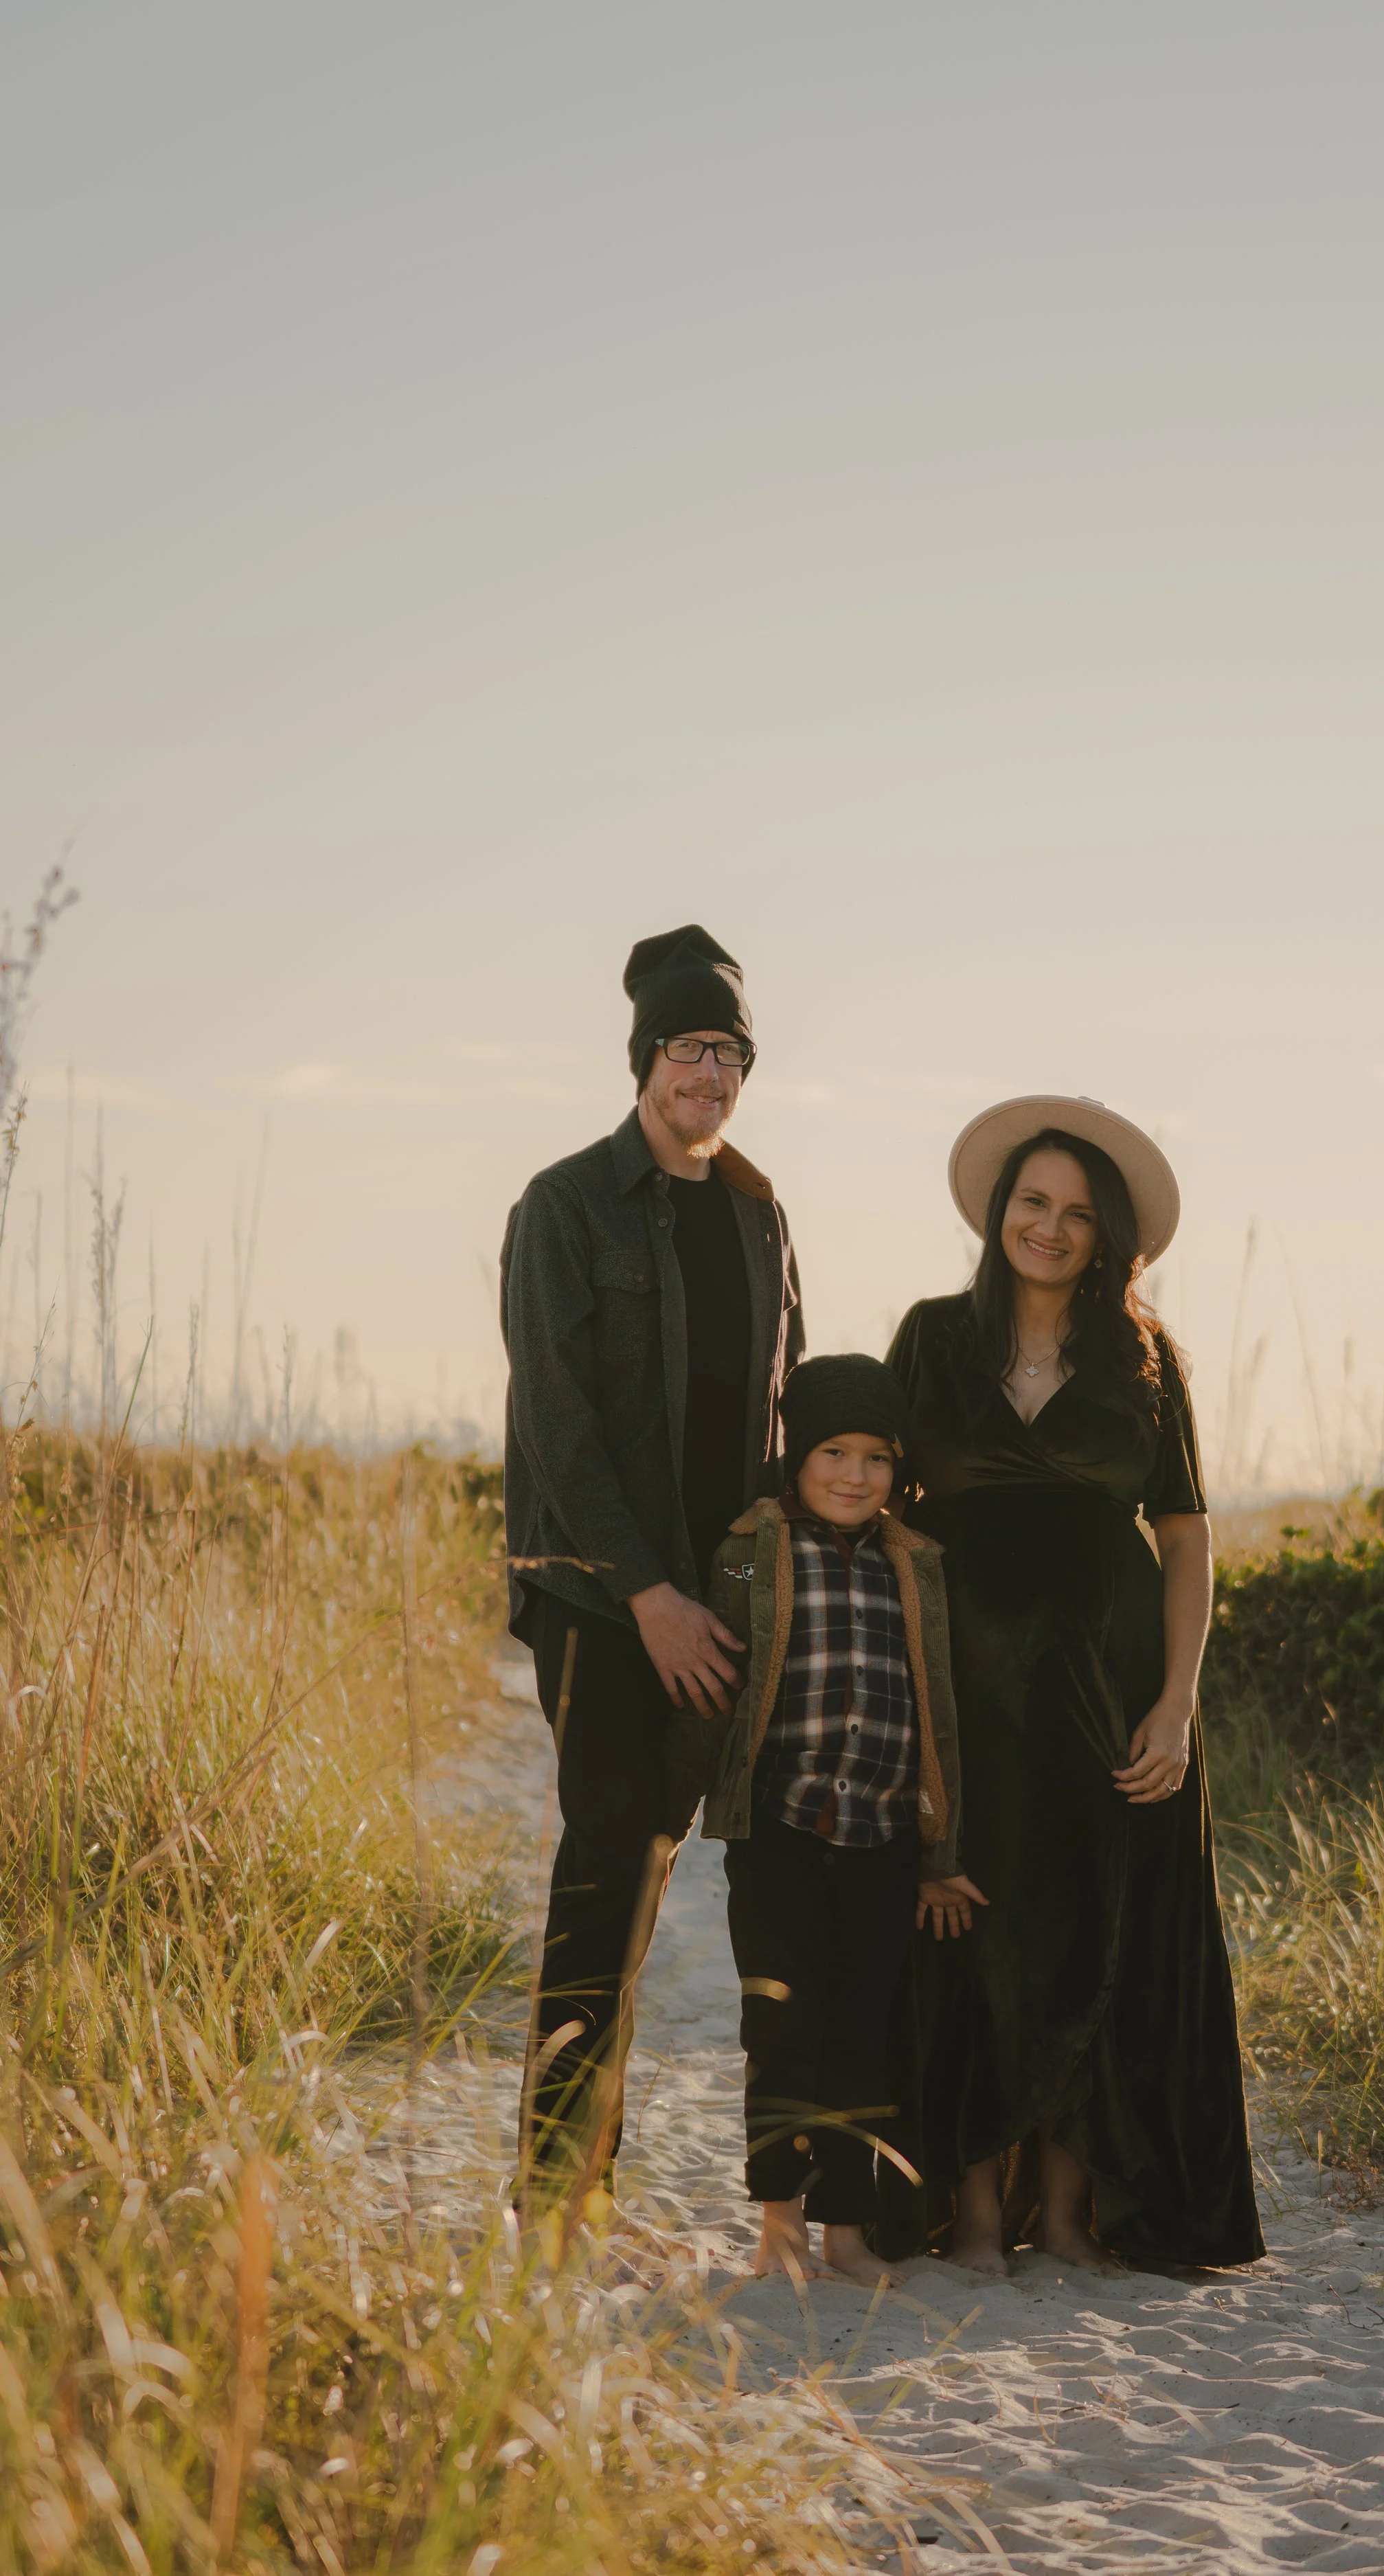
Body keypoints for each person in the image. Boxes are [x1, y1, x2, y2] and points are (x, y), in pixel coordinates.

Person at [885, 1095, 1265, 2274]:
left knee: (1101, 1931)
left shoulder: (1148, 1361)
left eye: (1078, 1214)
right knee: (979, 1935)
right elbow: (873, 1502)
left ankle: (1065, 2212)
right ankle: (979, 2214)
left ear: (1110, 1239)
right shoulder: (932, 1339)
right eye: (1033, 1203)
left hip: (1113, 1687)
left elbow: (1188, 1536)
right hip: (966, 1691)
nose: (1050, 1227)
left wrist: (1178, 1700)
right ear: (1002, 1213)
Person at [500, 924, 804, 2185]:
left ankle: (806, 2195)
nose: (710, 1074)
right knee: (606, 1887)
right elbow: (558, 1427)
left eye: (731, 1051)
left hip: (731, 1608)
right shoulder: (566, 1205)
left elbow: (783, 1406)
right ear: (645, 1059)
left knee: (743, 1877)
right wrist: (651, 1597)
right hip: (603, 1605)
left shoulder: (757, 1211)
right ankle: (561, 2201)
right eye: (690, 1047)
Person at [699, 1355, 977, 2285]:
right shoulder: (749, 1545)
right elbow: (716, 1668)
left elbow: (938, 1712)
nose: (855, 1475)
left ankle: (846, 2232)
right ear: (795, 1454)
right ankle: (779, 2224)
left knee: (864, 2034)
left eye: (876, 1457)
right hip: (780, 1829)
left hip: (883, 1838)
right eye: (833, 1451)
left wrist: (937, 1852)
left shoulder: (919, 1561)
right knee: (784, 2030)